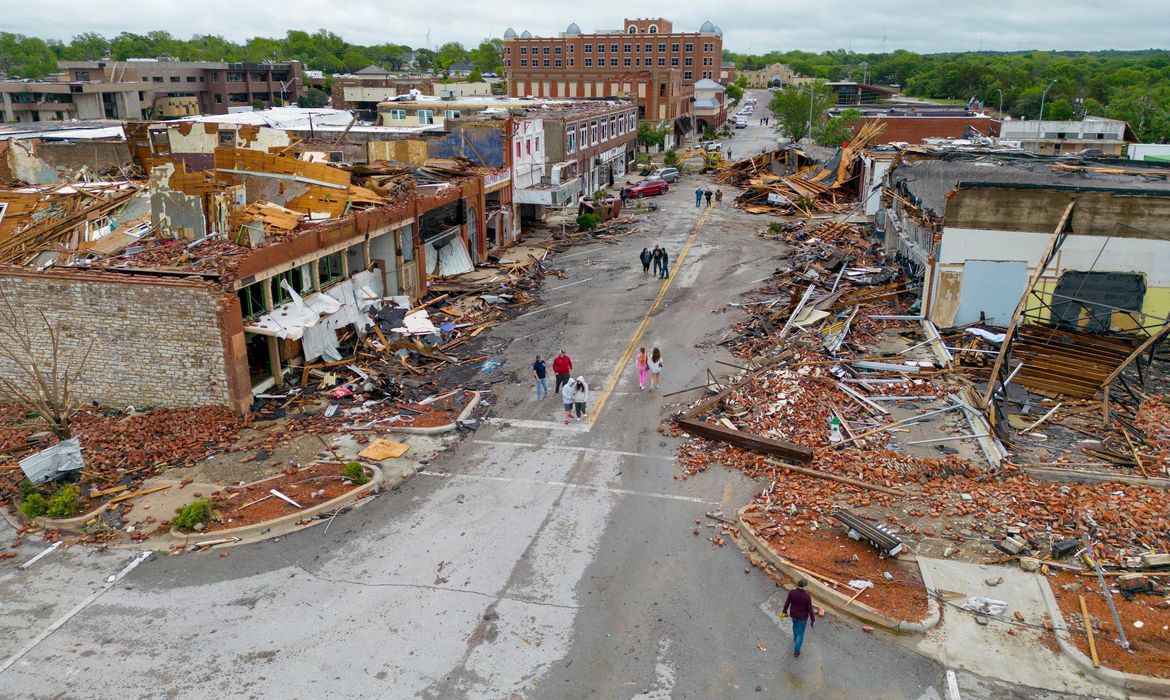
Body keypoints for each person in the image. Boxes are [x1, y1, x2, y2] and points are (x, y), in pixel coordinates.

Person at [782, 578, 816, 657]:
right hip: (802, 617)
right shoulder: (807, 596)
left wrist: (784, 612)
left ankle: (795, 638)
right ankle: (796, 651)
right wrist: (813, 620)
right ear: (804, 587)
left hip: (793, 614)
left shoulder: (792, 592)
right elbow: (810, 609)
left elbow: (787, 603)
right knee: (800, 634)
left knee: (794, 626)